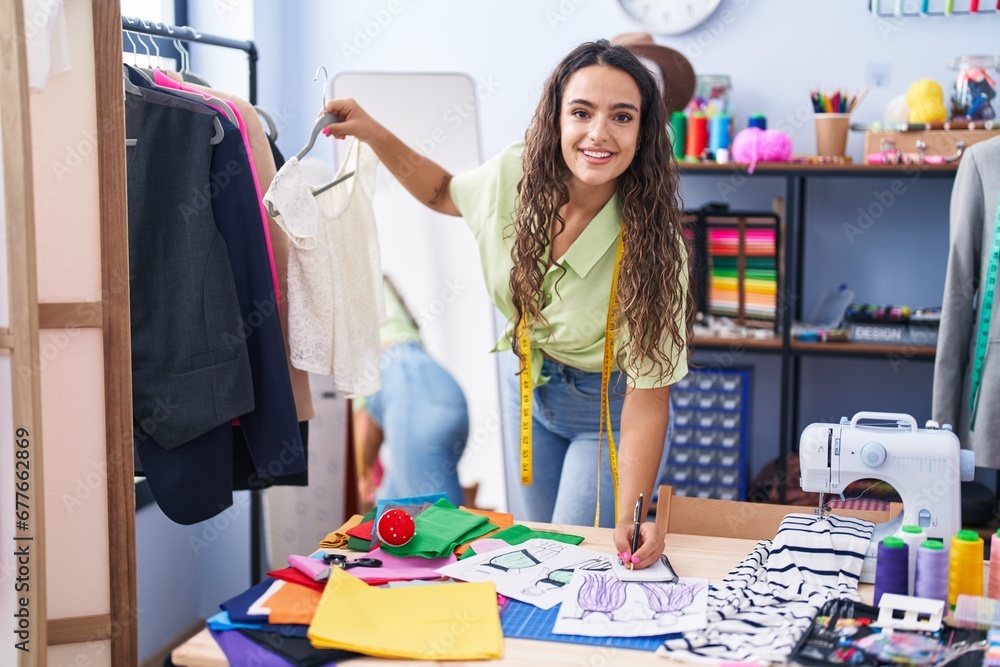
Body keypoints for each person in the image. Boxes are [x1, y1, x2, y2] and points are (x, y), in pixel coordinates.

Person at [324, 38, 692, 569]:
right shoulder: (514, 176)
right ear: (557, 118)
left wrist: (634, 516)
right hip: (531, 386)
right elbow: (442, 192)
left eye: (622, 116)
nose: (598, 133)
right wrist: (371, 130)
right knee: (534, 555)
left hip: (610, 411)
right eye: (581, 112)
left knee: (573, 561)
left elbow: (650, 394)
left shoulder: (656, 249)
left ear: (644, 131)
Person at [354, 276, 470, 508]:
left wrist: (363, 474)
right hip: (440, 387)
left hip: (411, 399)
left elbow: (362, 423)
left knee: (436, 524)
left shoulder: (349, 299)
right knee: (390, 516)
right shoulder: (380, 292)